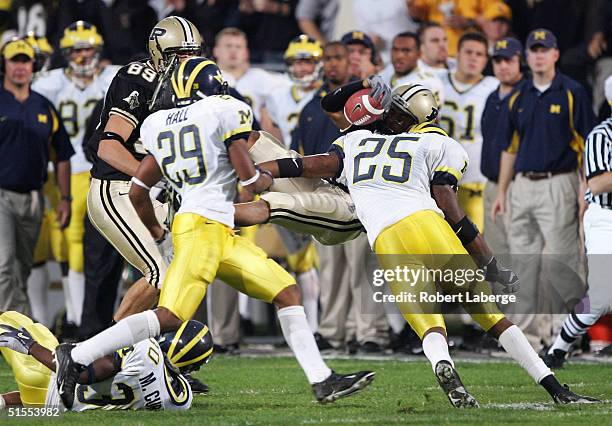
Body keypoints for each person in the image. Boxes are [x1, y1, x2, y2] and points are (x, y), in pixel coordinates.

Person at [54, 57, 375, 408]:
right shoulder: (224, 111)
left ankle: (322, 379)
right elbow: (249, 177)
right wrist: (264, 180)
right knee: (169, 316)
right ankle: (78, 353)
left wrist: (158, 230)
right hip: (204, 230)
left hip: (208, 226)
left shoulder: (160, 125)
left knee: (287, 291)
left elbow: (136, 191)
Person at [256, 81, 599, 407]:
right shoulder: (435, 144)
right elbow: (447, 202)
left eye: (398, 114)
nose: (389, 118)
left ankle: (442, 364)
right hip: (428, 225)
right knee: (492, 317)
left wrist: (264, 169)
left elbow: (307, 163)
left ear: (413, 117)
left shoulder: (357, 141)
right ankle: (553, 387)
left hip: (386, 239)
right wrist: (489, 262)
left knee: (427, 322)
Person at [84, 16, 202, 323]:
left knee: (184, 270)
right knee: (158, 273)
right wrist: (152, 180)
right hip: (118, 188)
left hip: (156, 193)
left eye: (193, 53)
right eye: (180, 54)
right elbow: (107, 146)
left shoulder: (195, 85)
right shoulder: (139, 77)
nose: (188, 62)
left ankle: (156, 357)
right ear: (159, 52)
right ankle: (101, 355)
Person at [491, 29, 597, 348]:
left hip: (560, 180)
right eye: (533, 50)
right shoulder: (517, 96)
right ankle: (526, 339)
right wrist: (502, 191)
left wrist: (584, 189)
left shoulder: (572, 91)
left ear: (555, 54)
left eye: (544, 49)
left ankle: (566, 337)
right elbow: (510, 148)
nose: (538, 55)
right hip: (523, 184)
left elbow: (585, 145)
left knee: (560, 261)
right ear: (527, 56)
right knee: (522, 261)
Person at [293, 41, 389, 352]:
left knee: (364, 266)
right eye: (329, 59)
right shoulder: (312, 106)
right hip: (324, 192)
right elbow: (302, 153)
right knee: (331, 268)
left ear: (352, 61)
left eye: (340, 58)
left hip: (361, 191)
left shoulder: (366, 103)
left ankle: (370, 332)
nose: (333, 64)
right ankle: (332, 330)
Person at [31, 21, 120, 333]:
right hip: (63, 170)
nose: (83, 57)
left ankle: (85, 316)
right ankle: (73, 316)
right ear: (66, 54)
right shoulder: (50, 83)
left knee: (100, 241)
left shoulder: (111, 78)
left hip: (97, 168)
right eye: (77, 51)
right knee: (65, 242)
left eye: (88, 50)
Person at [0, 310, 212, 410]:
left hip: (45, 370)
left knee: (9, 320)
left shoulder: (145, 350)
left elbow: (79, 373)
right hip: (49, 404)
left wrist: (30, 346)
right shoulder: (180, 402)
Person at [541, 75, 612, 368]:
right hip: (606, 218)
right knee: (601, 299)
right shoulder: (602, 135)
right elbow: (597, 184)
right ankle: (559, 348)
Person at [0, 38, 73, 314]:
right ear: (4, 65)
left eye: (25, 61)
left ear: (34, 65)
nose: (20, 67)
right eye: (14, 60)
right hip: (1, 195)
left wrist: (65, 198)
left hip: (34, 197)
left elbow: (62, 154)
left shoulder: (44, 106)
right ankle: (13, 332)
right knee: (4, 264)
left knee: (22, 267)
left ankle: (16, 325)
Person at [260, 34, 323, 329]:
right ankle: (311, 326)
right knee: (300, 258)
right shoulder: (277, 96)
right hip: (289, 177)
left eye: (307, 62)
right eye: (296, 63)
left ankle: (318, 324)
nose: (300, 69)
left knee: (321, 256)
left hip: (320, 177)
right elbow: (272, 135)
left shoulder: (325, 96)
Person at [439, 32, 498, 233]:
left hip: (475, 181)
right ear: (457, 54)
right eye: (469, 52)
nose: (473, 58)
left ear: (486, 59)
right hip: (438, 178)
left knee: (475, 244)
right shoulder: (436, 82)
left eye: (479, 54)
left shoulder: (493, 87)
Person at [481, 37, 525, 258]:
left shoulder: (529, 95)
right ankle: (503, 294)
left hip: (518, 185)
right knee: (495, 252)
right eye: (498, 61)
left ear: (520, 60)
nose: (503, 66)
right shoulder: (491, 98)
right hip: (491, 183)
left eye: (508, 60)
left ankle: (525, 294)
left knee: (522, 251)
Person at [378, 31, 444, 106]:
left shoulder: (430, 83)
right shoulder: (388, 70)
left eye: (406, 51)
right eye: (395, 50)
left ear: (419, 54)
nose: (399, 56)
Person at [407, 0, 485, 57]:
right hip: (435, 55)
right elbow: (417, 16)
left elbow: (492, 20)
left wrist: (469, 22)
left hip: (470, 53)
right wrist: (410, 5)